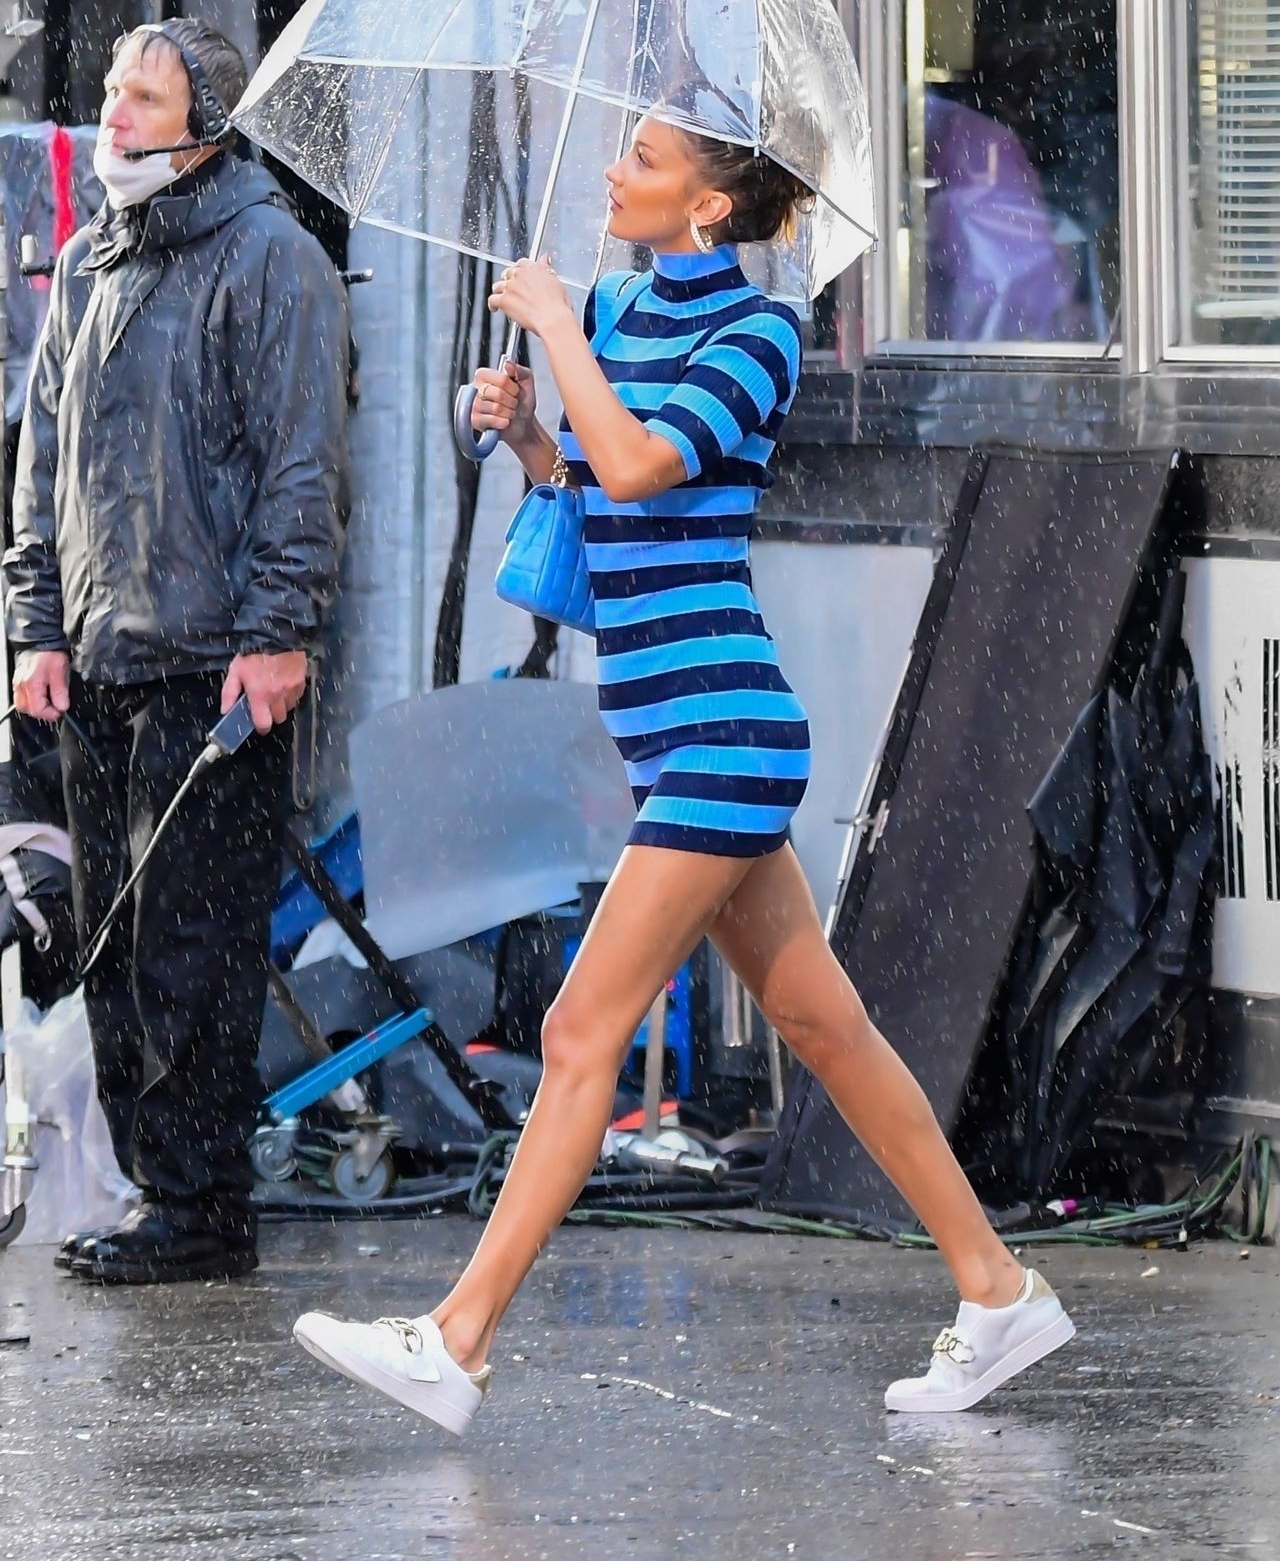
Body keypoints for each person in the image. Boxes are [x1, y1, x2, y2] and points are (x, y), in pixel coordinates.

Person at [294, 114, 1074, 1426]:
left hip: (724, 732)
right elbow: (599, 509)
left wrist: (555, 334)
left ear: (710, 206)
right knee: (826, 1029)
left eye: (645, 161)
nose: (614, 170)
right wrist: (531, 440)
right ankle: (997, 1290)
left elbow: (647, 466)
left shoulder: (757, 337)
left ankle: (457, 1340)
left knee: (576, 1033)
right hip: (668, 734)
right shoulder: (613, 310)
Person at [4, 17, 351, 1284]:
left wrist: (277, 633)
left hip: (214, 667)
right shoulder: (92, 259)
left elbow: (302, 465)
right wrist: (35, 624)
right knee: (110, 939)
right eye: (112, 90)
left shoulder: (274, 259)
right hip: (98, 660)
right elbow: (42, 460)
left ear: (206, 126)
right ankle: (160, 1188)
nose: (115, 114)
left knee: (190, 950)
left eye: (145, 98)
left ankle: (203, 1205)